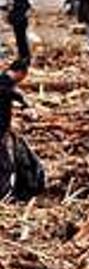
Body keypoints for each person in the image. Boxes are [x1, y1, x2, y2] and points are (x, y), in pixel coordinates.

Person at [0, 59, 27, 198]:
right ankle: (4, 194)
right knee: (6, 165)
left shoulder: (6, 83)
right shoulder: (4, 83)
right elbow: (8, 92)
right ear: (20, 73)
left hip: (3, 129)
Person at [5, 0, 30, 65]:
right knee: (21, 41)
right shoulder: (21, 3)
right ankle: (23, 57)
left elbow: (14, 9)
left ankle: (24, 58)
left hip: (19, 22)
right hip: (20, 22)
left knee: (21, 41)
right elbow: (27, 7)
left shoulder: (18, 3)